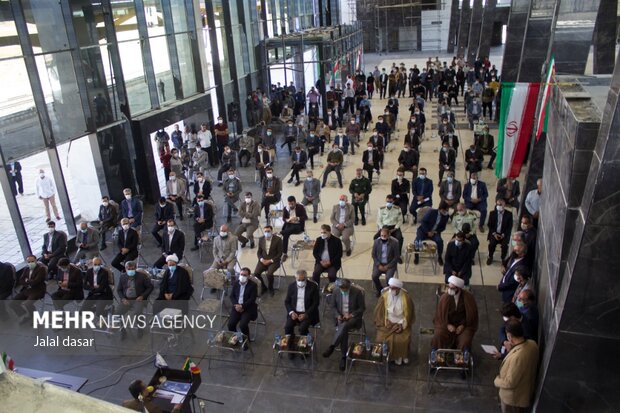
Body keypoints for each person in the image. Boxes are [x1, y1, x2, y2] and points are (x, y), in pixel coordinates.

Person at [493, 319, 539, 413]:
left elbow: (509, 383)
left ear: (509, 336)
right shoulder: (532, 344)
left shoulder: (517, 357)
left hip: (513, 398)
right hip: (525, 390)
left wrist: (496, 380)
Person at [323, 279, 366, 371]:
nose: (344, 290)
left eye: (346, 288)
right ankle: (343, 357)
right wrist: (338, 315)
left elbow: (362, 308)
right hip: (341, 317)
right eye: (342, 288)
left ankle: (333, 346)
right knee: (344, 330)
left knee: (344, 326)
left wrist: (351, 315)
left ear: (349, 286)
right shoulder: (336, 291)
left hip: (353, 318)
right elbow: (333, 306)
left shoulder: (357, 292)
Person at [374, 278, 415, 366]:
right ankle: (389, 356)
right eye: (390, 288)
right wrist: (386, 322)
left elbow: (408, 315)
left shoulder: (406, 298)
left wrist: (401, 325)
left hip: (401, 323)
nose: (391, 290)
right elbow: (380, 312)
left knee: (401, 340)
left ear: (399, 289)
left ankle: (400, 356)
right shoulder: (384, 296)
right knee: (380, 339)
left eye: (394, 288)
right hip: (387, 323)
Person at [432, 275, 479, 351]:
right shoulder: (444, 297)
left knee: (465, 340)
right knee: (438, 335)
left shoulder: (468, 298)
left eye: (452, 288)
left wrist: (462, 325)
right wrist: (448, 325)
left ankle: (462, 358)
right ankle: (436, 353)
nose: (449, 290)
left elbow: (471, 315)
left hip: (464, 326)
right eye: (449, 287)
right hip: (446, 324)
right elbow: (440, 315)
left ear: (458, 288)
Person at [284, 269, 320, 357]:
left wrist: (306, 314)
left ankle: (304, 347)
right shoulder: (291, 286)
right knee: (287, 327)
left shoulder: (313, 287)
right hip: (295, 312)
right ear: (295, 278)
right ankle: (291, 347)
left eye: (302, 280)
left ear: (306, 278)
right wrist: (292, 312)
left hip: (308, 313)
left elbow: (316, 303)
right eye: (298, 280)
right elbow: (287, 301)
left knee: (303, 328)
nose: (300, 282)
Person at [116, 261, 153, 338]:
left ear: (135, 268)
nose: (130, 270)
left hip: (138, 299)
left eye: (132, 269)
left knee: (138, 313)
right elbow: (119, 290)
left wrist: (142, 296)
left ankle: (140, 329)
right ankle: (122, 330)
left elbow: (150, 287)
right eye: (128, 269)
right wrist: (123, 299)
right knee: (117, 313)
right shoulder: (122, 277)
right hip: (126, 299)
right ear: (125, 269)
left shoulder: (142, 277)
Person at [10, 255, 47, 323]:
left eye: (32, 261)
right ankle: (26, 315)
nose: (30, 263)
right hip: (27, 289)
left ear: (36, 261)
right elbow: (21, 280)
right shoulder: (26, 269)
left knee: (28, 304)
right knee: (13, 303)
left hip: (37, 290)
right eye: (29, 262)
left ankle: (35, 318)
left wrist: (27, 281)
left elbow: (36, 281)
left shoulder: (41, 269)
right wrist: (28, 282)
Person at [228, 267, 257, 342]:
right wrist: (236, 305)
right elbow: (232, 296)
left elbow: (252, 299)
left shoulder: (253, 285)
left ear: (248, 276)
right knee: (230, 324)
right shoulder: (235, 283)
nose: (242, 276)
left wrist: (242, 306)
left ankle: (246, 341)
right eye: (241, 274)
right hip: (236, 307)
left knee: (243, 325)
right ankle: (237, 337)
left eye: (244, 275)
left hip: (247, 308)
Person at [253, 225, 283, 296]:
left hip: (274, 261)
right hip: (263, 260)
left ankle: (270, 288)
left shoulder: (278, 240)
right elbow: (259, 252)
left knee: (269, 273)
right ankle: (263, 287)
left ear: (272, 231)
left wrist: (270, 260)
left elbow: (280, 253)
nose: (267, 233)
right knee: (256, 274)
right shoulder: (261, 239)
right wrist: (261, 259)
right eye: (265, 231)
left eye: (268, 231)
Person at [371, 227, 400, 296]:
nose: (383, 237)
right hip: (379, 264)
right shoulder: (376, 242)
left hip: (390, 264)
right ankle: (379, 289)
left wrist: (388, 266)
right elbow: (373, 255)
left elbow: (396, 257)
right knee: (374, 276)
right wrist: (378, 265)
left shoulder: (394, 243)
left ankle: (388, 291)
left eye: (385, 236)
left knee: (388, 279)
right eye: (381, 236)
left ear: (389, 235)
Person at [375, 195, 404, 261]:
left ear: (393, 201)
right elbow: (379, 220)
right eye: (387, 201)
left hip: (394, 226)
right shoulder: (381, 209)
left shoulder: (397, 209)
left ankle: (398, 255)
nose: (389, 203)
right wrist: (383, 228)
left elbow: (400, 220)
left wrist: (395, 228)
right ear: (386, 200)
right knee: (376, 237)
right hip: (385, 226)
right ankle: (380, 253)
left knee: (399, 238)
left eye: (390, 201)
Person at [487, 198, 513, 265]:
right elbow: (490, 225)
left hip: (504, 234)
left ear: (504, 205)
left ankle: (503, 258)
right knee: (491, 244)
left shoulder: (509, 214)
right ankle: (490, 256)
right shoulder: (492, 213)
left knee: (504, 246)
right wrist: (495, 234)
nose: (499, 206)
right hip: (494, 233)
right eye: (497, 204)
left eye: (500, 204)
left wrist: (503, 235)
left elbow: (509, 227)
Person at [281, 196, 307, 260]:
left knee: (286, 232)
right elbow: (283, 218)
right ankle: (284, 253)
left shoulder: (300, 207)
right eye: (289, 204)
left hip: (298, 225)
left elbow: (305, 217)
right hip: (289, 224)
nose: (291, 205)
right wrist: (288, 220)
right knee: (286, 235)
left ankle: (283, 232)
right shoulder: (286, 208)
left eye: (292, 204)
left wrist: (297, 218)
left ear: (295, 202)